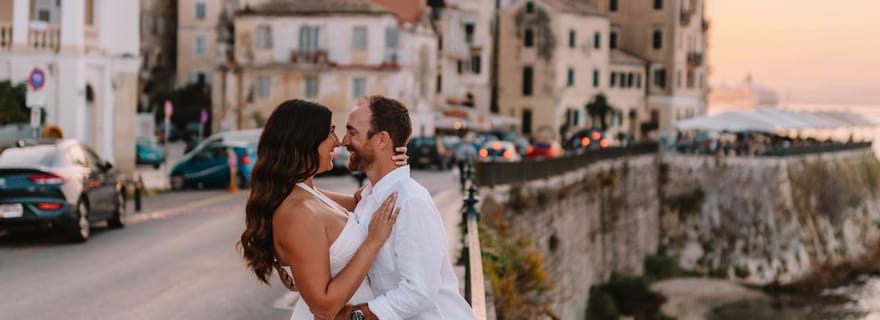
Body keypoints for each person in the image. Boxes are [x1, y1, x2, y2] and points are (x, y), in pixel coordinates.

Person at [238, 99, 409, 320]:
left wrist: (388, 162)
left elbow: (362, 200)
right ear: (305, 140)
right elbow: (324, 307)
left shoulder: (308, 194)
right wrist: (372, 242)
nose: (337, 142)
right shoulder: (297, 213)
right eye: (330, 132)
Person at [334, 95, 474, 320]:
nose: (343, 141)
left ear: (381, 140)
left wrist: (355, 316)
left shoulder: (410, 202)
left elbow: (420, 292)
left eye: (352, 132)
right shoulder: (371, 197)